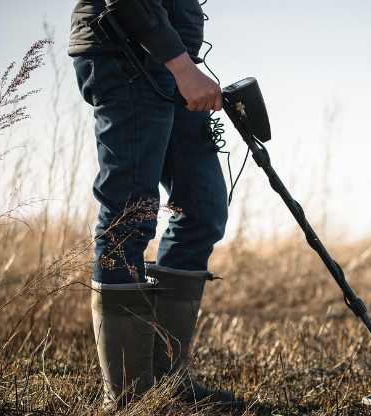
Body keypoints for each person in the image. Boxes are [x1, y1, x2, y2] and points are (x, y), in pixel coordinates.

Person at [68, 0, 237, 410]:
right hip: (125, 57)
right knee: (130, 215)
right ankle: (128, 397)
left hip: (170, 63)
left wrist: (182, 65)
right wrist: (182, 67)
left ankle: (165, 381)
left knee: (202, 209)